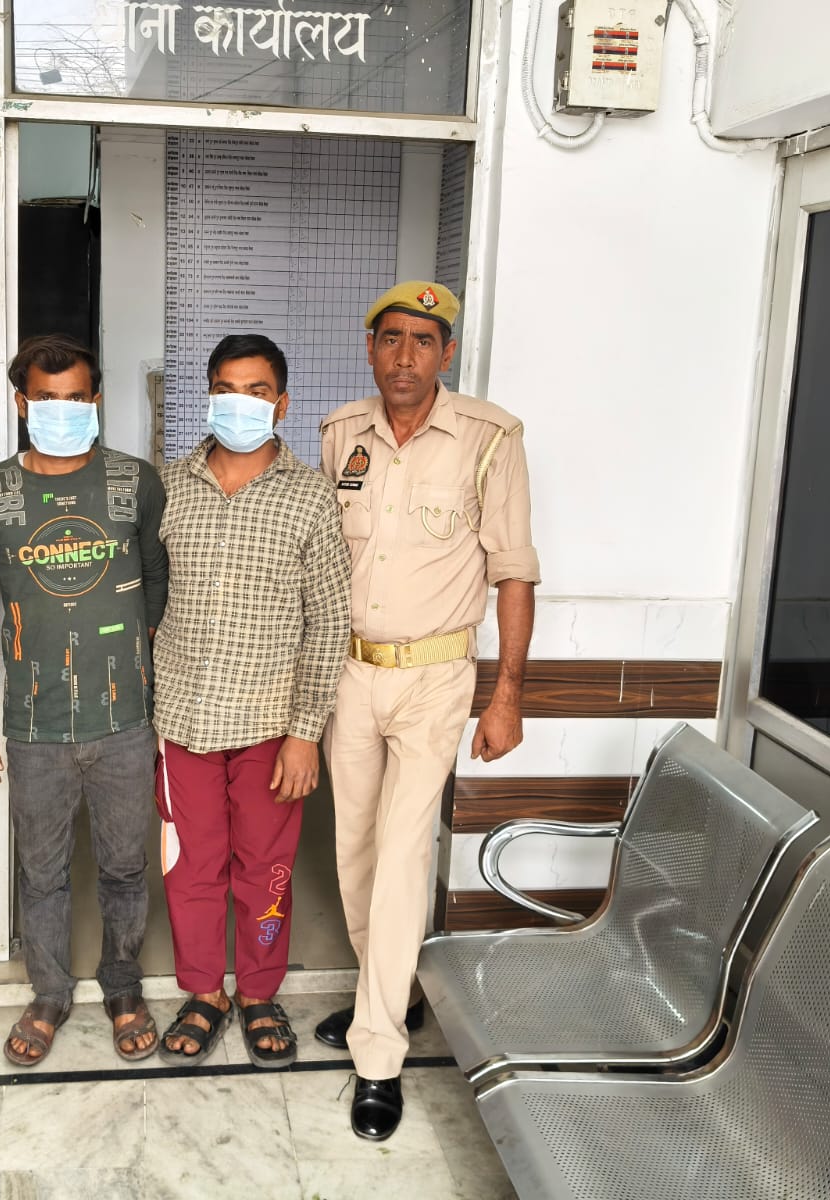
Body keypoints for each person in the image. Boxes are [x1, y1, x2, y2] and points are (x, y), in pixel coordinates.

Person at [318, 281, 539, 1140]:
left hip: (435, 677)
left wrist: (507, 693)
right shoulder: (341, 432)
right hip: (349, 671)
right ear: (370, 347)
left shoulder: (491, 437)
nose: (404, 356)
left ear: (446, 352)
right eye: (390, 338)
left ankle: (378, 1054)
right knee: (355, 851)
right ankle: (393, 990)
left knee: (405, 854)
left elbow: (513, 571)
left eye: (422, 340)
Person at [0, 334, 168, 1066]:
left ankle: (123, 986)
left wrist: (132, 666)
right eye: (46, 400)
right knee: (40, 872)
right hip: (35, 722)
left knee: (125, 866)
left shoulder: (135, 483)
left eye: (75, 399)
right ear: (21, 403)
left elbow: (157, 589)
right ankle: (48, 993)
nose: (62, 411)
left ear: (96, 400)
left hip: (125, 719)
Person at [152, 334, 350, 1068]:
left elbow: (329, 619)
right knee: (191, 867)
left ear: (282, 404)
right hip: (183, 718)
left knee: (265, 870)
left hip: (271, 725)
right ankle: (205, 991)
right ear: (208, 398)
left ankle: (260, 992)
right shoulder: (168, 488)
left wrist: (305, 732)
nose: (241, 403)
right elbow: (147, 600)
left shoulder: (310, 497)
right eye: (227, 389)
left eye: (257, 390)